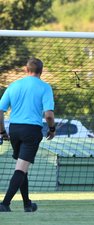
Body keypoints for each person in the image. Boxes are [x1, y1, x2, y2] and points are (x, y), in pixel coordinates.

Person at [0, 58, 55, 212]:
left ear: (26, 69)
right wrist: (52, 129)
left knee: (23, 167)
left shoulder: (14, 85)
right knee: (20, 169)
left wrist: (3, 131)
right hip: (31, 131)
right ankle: (4, 204)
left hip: (15, 130)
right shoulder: (45, 87)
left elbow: (0, 110)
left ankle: (27, 204)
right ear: (41, 71)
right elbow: (49, 115)